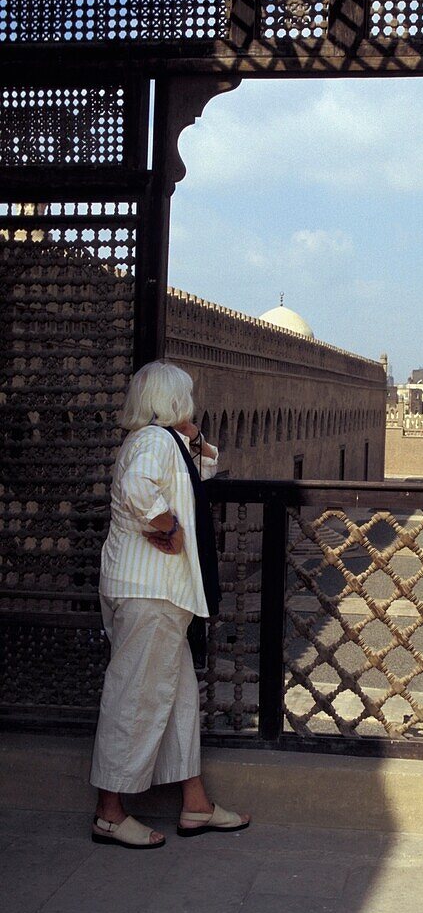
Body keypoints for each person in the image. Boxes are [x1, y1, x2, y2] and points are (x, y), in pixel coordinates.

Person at [89, 360, 250, 848]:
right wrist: (171, 528)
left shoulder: (164, 442)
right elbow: (140, 490)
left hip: (157, 596)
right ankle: (110, 813)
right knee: (135, 698)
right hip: (150, 593)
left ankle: (195, 805)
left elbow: (202, 470)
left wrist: (194, 437)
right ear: (172, 400)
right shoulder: (154, 443)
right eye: (186, 397)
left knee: (177, 701)